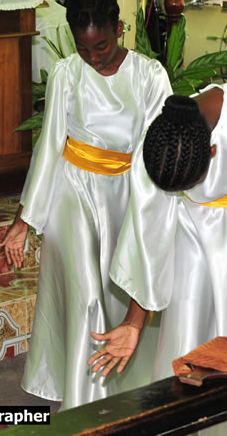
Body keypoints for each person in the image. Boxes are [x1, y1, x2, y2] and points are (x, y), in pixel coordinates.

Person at [0, 0, 171, 409]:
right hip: (72, 193)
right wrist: (25, 221)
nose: (94, 58)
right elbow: (50, 145)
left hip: (130, 192)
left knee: (121, 287)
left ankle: (123, 387)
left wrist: (149, 211)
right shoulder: (67, 73)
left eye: (102, 47)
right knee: (87, 298)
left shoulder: (149, 76)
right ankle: (83, 399)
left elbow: (160, 150)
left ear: (118, 29)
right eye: (84, 48)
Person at [89, 87, 226, 382]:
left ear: (213, 151)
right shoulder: (160, 144)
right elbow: (151, 235)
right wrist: (133, 323)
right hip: (190, 234)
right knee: (187, 338)